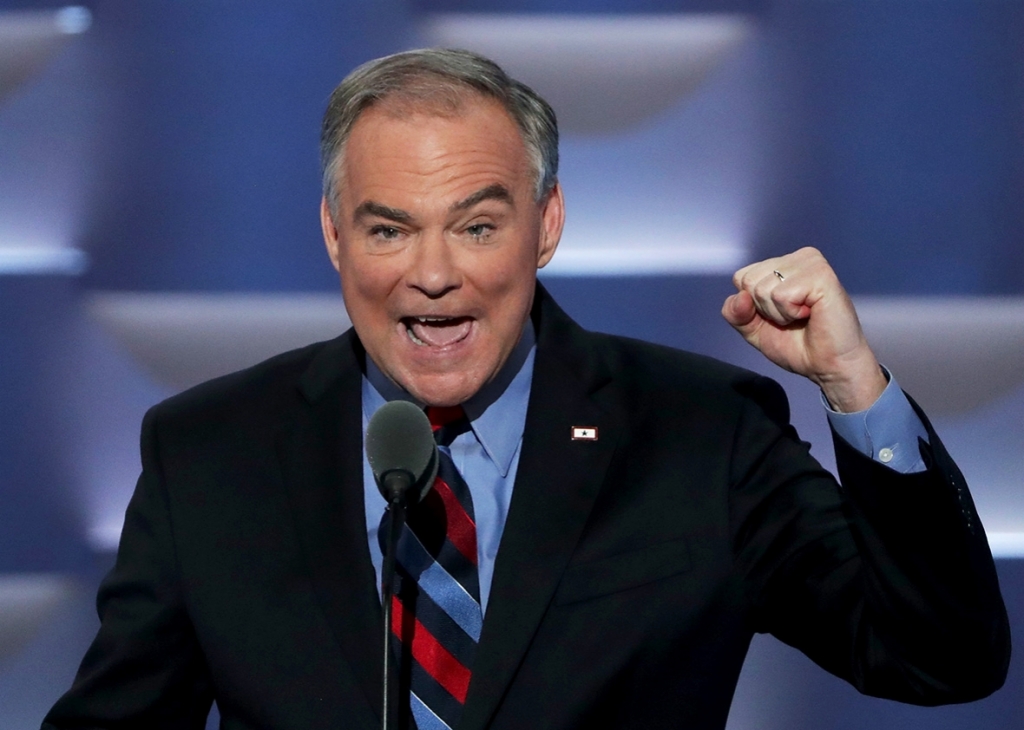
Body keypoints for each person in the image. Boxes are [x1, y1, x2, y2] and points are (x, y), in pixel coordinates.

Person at [43, 48, 1009, 730]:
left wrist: (853, 385)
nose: (432, 274)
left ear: (545, 226)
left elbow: (939, 659)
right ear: (335, 237)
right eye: (387, 230)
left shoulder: (700, 436)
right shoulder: (209, 452)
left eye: (476, 226)